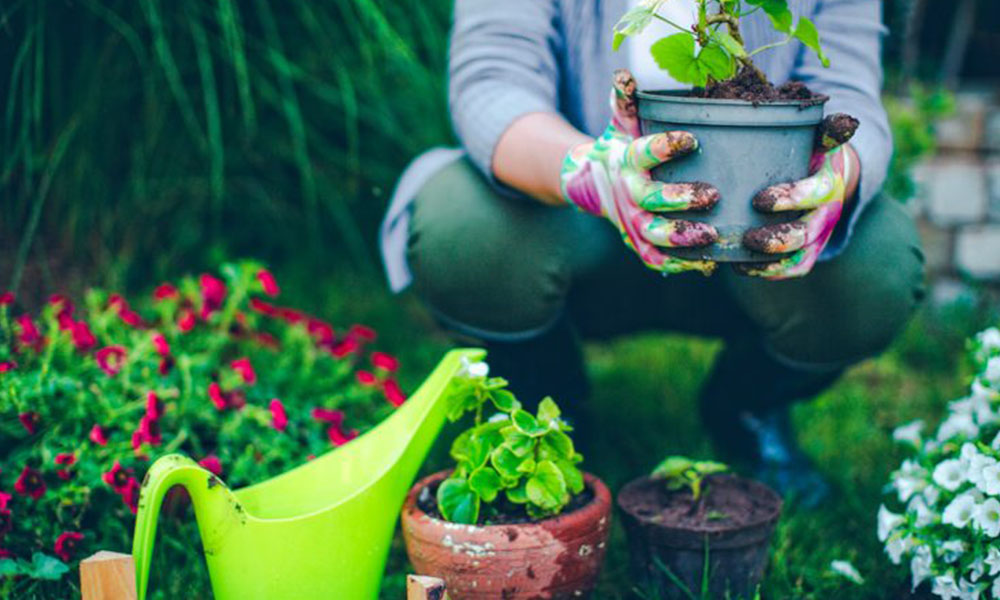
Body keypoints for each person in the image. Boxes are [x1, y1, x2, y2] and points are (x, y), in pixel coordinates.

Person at [379, 0, 926, 505]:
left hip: (755, 226)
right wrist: (593, 173)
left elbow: (849, 90)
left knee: (876, 267)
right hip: (573, 223)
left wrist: (837, 177)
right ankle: (546, 394)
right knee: (463, 226)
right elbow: (492, 82)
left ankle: (747, 404)